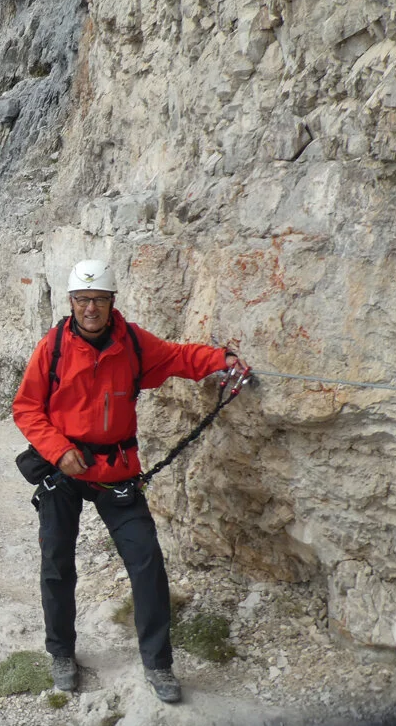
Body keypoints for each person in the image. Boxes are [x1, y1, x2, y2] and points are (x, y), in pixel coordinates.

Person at [12, 259, 246, 702]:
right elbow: (26, 407)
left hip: (116, 472)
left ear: (112, 302)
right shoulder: (54, 348)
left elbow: (179, 357)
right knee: (57, 565)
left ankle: (158, 664)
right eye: (82, 300)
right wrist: (60, 450)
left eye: (98, 299)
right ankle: (61, 652)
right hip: (64, 471)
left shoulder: (132, 343)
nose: (90, 309)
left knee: (147, 564)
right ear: (71, 303)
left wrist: (222, 360)